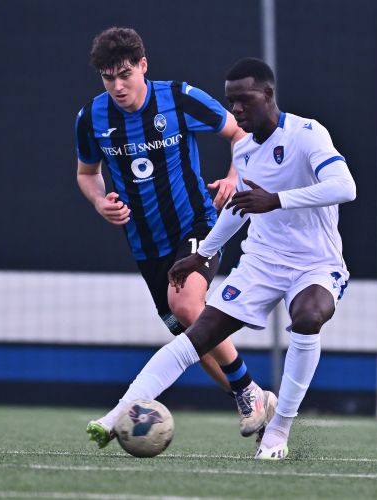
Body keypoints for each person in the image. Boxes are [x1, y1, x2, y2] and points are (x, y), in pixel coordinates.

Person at [89, 57, 356, 460]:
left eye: (245, 100)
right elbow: (237, 210)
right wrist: (203, 255)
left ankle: (277, 432)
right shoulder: (244, 150)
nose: (237, 109)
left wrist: (276, 200)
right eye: (232, 101)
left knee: (307, 316)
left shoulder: (306, 134)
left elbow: (345, 187)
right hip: (262, 263)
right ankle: (115, 417)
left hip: (316, 263)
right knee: (196, 333)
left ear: (268, 94)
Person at [75, 28, 275, 448]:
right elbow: (87, 174)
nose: (118, 86)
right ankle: (254, 399)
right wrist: (98, 202)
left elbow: (240, 135)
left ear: (143, 66)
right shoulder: (91, 118)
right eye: (109, 78)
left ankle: (246, 392)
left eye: (125, 75)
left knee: (185, 304)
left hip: (197, 226)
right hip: (147, 247)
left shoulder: (178, 97)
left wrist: (235, 176)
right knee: (192, 337)